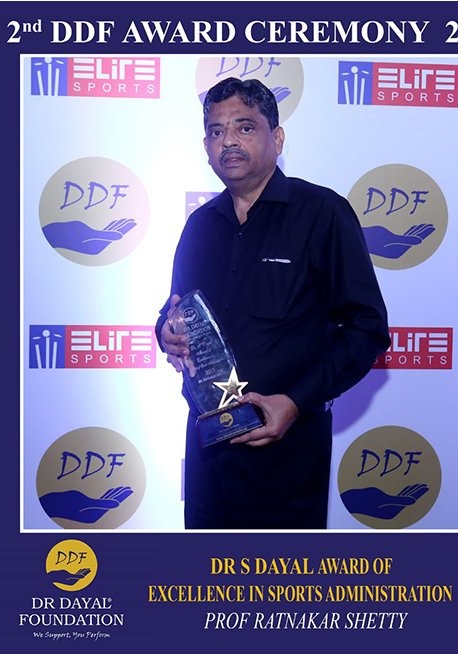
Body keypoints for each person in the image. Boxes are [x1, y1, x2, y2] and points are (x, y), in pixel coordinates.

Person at [156, 77, 390, 530]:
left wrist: (296, 401)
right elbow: (175, 310)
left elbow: (367, 328)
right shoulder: (199, 227)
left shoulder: (323, 213)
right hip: (209, 459)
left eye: (244, 127)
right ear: (205, 146)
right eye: (216, 131)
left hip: (288, 454)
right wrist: (166, 332)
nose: (228, 141)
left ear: (277, 138)